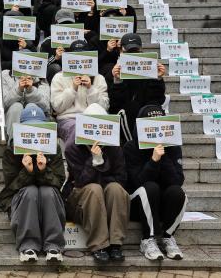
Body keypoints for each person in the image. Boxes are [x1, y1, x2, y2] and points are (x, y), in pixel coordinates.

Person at [0, 104, 66, 263]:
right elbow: (11, 186)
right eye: (30, 128)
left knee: (47, 191)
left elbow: (59, 182)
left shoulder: (53, 148)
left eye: (38, 128)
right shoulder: (11, 151)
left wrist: (43, 171)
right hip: (22, 198)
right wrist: (26, 171)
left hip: (49, 197)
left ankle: (53, 246)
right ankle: (28, 246)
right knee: (30, 191)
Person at [64, 103, 130, 263]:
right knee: (94, 189)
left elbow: (121, 178)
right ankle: (99, 244)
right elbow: (80, 181)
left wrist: (103, 179)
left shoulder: (113, 145)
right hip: (80, 197)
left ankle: (115, 243)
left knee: (115, 189)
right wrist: (94, 161)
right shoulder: (72, 146)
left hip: (104, 194)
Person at [124, 105, 186, 261]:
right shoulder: (131, 147)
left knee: (178, 193)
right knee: (150, 187)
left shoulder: (173, 147)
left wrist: (163, 158)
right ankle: (147, 239)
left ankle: (167, 237)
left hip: (162, 205)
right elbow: (136, 182)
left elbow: (177, 181)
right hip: (138, 204)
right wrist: (153, 160)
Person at [50, 39, 109, 150]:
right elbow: (57, 107)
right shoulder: (59, 77)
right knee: (76, 130)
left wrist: (91, 89)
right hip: (68, 119)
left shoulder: (99, 78)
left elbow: (105, 107)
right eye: (75, 57)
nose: (79, 60)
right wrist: (72, 89)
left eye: (83, 56)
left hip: (93, 119)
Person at [109, 33, 167, 135]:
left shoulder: (149, 68)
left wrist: (157, 78)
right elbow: (114, 103)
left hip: (145, 109)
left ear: (141, 50)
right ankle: (132, 144)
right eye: (129, 51)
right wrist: (117, 81)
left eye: (135, 51)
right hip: (124, 113)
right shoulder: (113, 70)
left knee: (154, 109)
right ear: (121, 50)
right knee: (132, 107)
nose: (133, 54)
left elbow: (157, 99)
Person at [0, 62, 50, 143]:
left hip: (36, 119)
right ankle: (13, 145)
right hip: (8, 119)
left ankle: (34, 148)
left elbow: (46, 107)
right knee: (16, 106)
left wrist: (31, 90)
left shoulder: (40, 78)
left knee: (31, 106)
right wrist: (18, 89)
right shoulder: (6, 75)